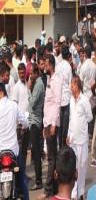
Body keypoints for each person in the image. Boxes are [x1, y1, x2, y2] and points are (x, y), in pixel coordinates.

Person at [0, 80, 29, 200]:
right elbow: (25, 121)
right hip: (13, 151)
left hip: (0, 151)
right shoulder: (13, 105)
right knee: (22, 180)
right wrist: (25, 126)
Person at [39, 54, 62, 200]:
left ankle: (49, 189)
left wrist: (53, 124)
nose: (44, 67)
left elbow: (57, 103)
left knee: (51, 158)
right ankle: (53, 187)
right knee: (52, 157)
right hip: (47, 122)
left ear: (51, 65)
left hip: (52, 123)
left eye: (46, 64)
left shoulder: (57, 80)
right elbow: (48, 103)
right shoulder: (48, 79)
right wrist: (45, 124)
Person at [68, 75, 93, 199]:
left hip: (82, 139)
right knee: (74, 167)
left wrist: (82, 125)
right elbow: (70, 119)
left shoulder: (84, 100)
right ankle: (74, 194)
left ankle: (81, 192)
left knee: (82, 167)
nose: (70, 88)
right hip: (73, 140)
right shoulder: (71, 100)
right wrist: (68, 134)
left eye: (72, 85)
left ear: (77, 86)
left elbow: (89, 117)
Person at [27, 63, 45, 191]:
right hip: (34, 120)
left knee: (36, 151)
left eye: (31, 73)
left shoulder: (38, 85)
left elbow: (32, 103)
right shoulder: (37, 83)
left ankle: (38, 181)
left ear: (36, 73)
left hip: (36, 121)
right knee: (36, 151)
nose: (30, 76)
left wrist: (29, 89)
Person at [56, 45, 73, 148]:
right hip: (66, 98)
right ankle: (63, 145)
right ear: (69, 56)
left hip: (59, 98)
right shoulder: (68, 67)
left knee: (60, 124)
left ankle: (60, 145)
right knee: (65, 124)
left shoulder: (58, 66)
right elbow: (71, 84)